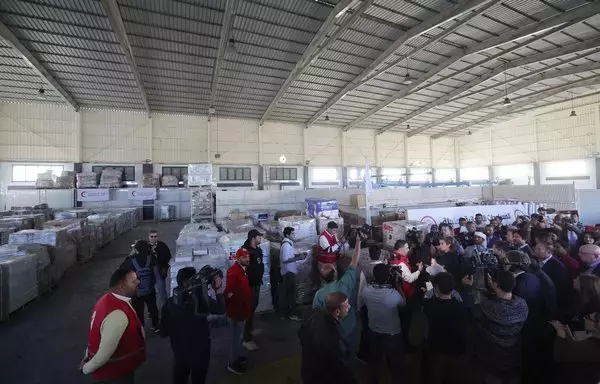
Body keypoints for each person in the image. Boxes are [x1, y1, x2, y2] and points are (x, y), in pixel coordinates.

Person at [160, 267, 225, 384]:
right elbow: (221, 309)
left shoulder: (169, 303)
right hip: (200, 352)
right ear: (187, 282)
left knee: (180, 378)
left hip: (179, 352)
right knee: (199, 379)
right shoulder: (201, 303)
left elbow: (164, 331)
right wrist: (218, 289)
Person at [81, 269, 145, 384]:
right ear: (121, 287)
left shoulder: (106, 300)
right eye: (133, 281)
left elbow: (95, 334)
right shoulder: (118, 314)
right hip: (117, 373)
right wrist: (86, 368)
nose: (138, 282)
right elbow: (104, 353)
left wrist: (87, 356)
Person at [472, 270, 529, 384]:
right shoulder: (522, 305)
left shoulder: (489, 307)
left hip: (492, 360)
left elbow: (476, 317)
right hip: (514, 358)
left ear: (496, 285)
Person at [313, 235, 361, 354]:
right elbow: (355, 260)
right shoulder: (345, 282)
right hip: (349, 327)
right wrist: (358, 242)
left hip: (331, 331)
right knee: (349, 351)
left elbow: (316, 314)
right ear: (335, 274)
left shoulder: (319, 294)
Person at [299, 292, 356, 384]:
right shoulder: (336, 336)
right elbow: (342, 366)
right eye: (346, 306)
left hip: (308, 372)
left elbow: (302, 334)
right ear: (337, 312)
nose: (349, 307)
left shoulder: (315, 316)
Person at [362, 264, 405, 384]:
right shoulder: (392, 294)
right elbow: (403, 303)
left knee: (375, 360)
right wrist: (397, 286)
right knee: (395, 363)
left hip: (374, 330)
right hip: (392, 333)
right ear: (387, 277)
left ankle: (373, 380)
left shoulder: (366, 290)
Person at [422, 272, 468, 384]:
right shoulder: (461, 306)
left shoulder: (430, 306)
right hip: (456, 350)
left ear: (436, 287)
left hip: (437, 349)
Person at [120, 240, 165, 333]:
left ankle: (141, 330)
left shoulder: (130, 261)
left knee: (139, 310)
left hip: (137, 292)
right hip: (150, 289)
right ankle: (156, 325)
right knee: (153, 307)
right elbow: (157, 275)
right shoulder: (151, 258)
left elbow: (121, 270)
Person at [225, 248, 253, 375]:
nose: (247, 259)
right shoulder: (234, 272)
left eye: (247, 256)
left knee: (239, 338)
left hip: (242, 311)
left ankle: (237, 356)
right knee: (235, 339)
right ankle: (232, 363)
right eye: (244, 257)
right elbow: (229, 293)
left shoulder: (242, 271)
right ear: (238, 258)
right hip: (236, 313)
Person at [356, 246, 384, 363]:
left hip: (368, 304)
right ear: (380, 254)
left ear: (369, 254)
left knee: (367, 329)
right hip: (382, 304)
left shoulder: (365, 269)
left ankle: (363, 354)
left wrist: (359, 305)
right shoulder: (384, 268)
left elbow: (361, 289)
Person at [535, 241, 574, 321]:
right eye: (535, 249)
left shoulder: (558, 267)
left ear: (548, 251)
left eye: (539, 249)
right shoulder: (537, 262)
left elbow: (559, 289)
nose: (536, 251)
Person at [241, 229, 264, 351]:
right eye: (259, 237)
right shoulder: (246, 252)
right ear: (253, 238)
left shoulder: (257, 250)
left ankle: (251, 329)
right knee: (248, 311)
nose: (261, 239)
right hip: (249, 285)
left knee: (254, 306)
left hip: (256, 283)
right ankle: (246, 339)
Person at [279, 227, 306, 321]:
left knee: (289, 294)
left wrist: (298, 255)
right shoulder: (286, 245)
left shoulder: (288, 244)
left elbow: (288, 256)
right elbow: (285, 260)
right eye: (292, 234)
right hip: (288, 273)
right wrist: (299, 258)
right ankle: (291, 314)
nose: (294, 236)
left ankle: (288, 313)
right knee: (291, 294)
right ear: (287, 235)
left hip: (289, 272)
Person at [148, 229, 171, 298]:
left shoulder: (162, 246)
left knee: (162, 290)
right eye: (151, 236)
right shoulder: (146, 247)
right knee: (149, 292)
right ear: (148, 237)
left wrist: (165, 267)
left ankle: (165, 306)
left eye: (155, 236)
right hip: (149, 272)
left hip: (159, 271)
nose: (153, 238)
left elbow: (168, 256)